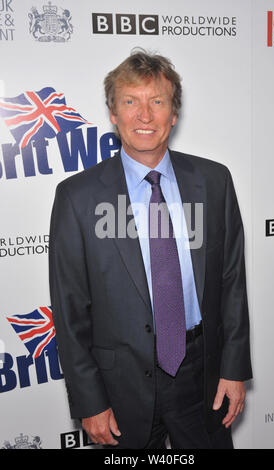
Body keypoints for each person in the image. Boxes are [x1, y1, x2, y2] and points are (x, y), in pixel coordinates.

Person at [49, 50, 252, 449]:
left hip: (202, 375)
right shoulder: (77, 197)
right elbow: (70, 312)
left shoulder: (213, 181)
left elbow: (232, 284)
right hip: (120, 386)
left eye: (157, 101)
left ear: (173, 114)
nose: (144, 115)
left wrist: (233, 369)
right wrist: (90, 402)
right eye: (130, 101)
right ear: (113, 113)